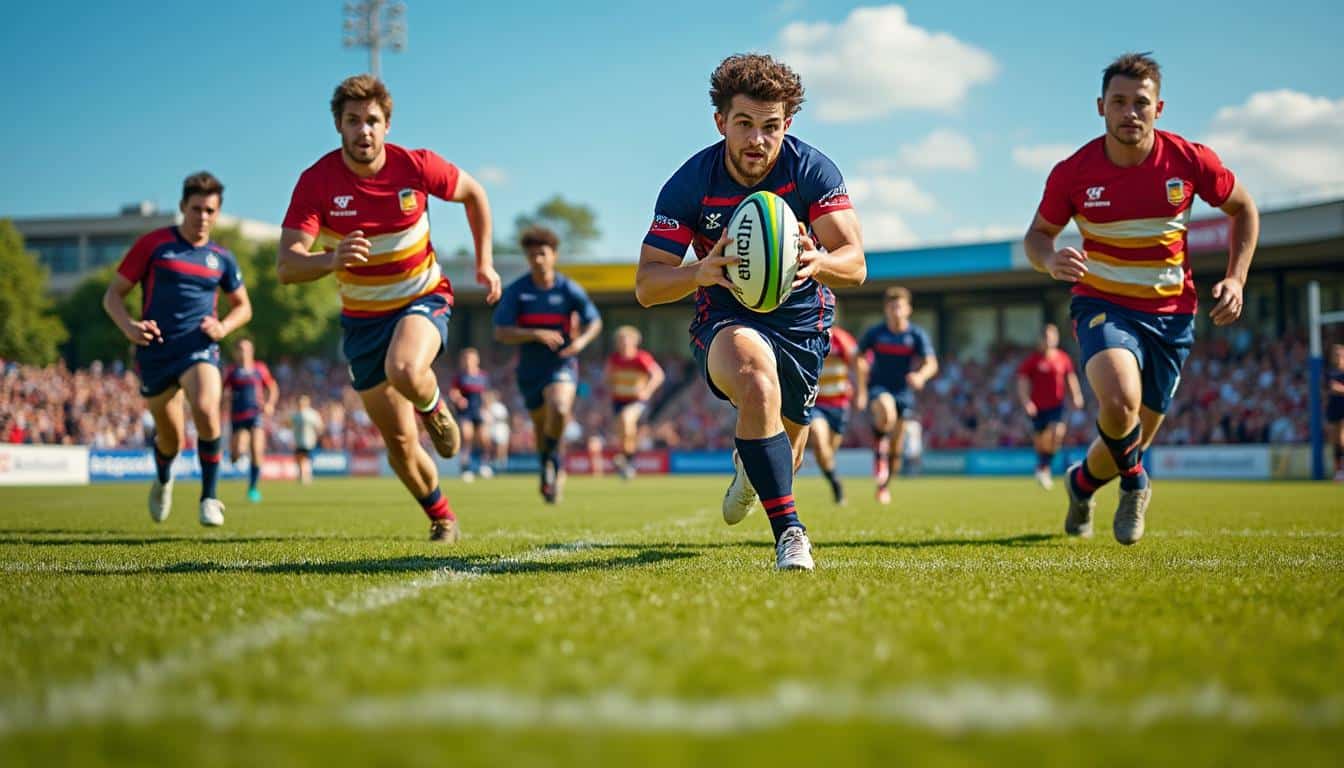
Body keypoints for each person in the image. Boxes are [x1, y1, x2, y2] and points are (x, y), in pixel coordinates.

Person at [635, 54, 866, 571]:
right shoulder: (691, 183)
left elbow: (856, 266)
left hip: (803, 322)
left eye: (770, 126)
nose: (757, 140)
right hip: (725, 314)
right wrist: (698, 273)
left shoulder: (811, 169)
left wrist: (819, 260)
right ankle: (791, 534)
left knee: (789, 455)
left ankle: (749, 469)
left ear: (787, 125)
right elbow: (647, 285)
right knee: (755, 382)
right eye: (744, 124)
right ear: (721, 122)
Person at [1024, 52, 1258, 544]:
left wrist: (1236, 278)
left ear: (1159, 108)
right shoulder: (1072, 173)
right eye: (1119, 102)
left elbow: (1244, 209)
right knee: (1119, 401)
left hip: (1172, 315)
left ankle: (1081, 485)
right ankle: (1137, 484)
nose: (1130, 112)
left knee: (1123, 437)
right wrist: (1049, 260)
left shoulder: (1189, 159)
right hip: (1102, 303)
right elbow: (1039, 235)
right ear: (1101, 107)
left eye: (1141, 103)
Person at [277, 74, 501, 542]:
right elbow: (287, 266)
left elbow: (474, 194)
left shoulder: (416, 166)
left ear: (387, 124)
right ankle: (442, 516)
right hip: (362, 322)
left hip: (423, 296)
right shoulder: (316, 183)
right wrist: (329, 259)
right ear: (338, 126)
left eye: (372, 121)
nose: (364, 131)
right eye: (353, 121)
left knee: (405, 368)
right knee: (398, 442)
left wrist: (484, 263)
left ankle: (435, 407)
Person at [103, 171, 253, 527]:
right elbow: (112, 296)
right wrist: (130, 328)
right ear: (183, 207)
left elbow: (243, 306)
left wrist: (223, 327)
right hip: (155, 351)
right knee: (170, 437)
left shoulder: (222, 258)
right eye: (197, 208)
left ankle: (210, 498)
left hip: (199, 348)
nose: (203, 217)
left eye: (210, 210)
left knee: (205, 408)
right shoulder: (154, 245)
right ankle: (163, 478)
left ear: (218, 213)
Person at [493, 226, 603, 503]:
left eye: (542, 253)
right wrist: (535, 334)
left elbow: (595, 321)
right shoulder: (518, 291)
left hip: (561, 363)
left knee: (561, 408)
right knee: (542, 428)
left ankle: (552, 463)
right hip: (529, 369)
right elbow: (501, 331)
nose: (538, 260)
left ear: (554, 255)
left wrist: (580, 343)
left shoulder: (568, 289)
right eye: (532, 255)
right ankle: (549, 463)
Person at [857, 287, 937, 505]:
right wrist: (862, 386)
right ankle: (878, 449)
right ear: (886, 309)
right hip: (879, 388)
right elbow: (859, 356)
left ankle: (884, 486)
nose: (895, 311)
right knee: (886, 410)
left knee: (896, 451)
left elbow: (931, 363)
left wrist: (921, 375)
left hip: (904, 393)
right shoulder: (876, 333)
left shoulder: (915, 335)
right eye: (891, 307)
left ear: (908, 309)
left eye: (899, 306)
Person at [1016, 324, 1085, 489]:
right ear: (1041, 339)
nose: (1049, 340)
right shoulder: (1033, 360)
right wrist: (1026, 401)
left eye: (1052, 336)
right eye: (1046, 337)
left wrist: (1076, 395)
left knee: (1056, 433)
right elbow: (1023, 382)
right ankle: (1042, 466)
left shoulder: (1063, 358)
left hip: (1057, 405)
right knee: (1041, 441)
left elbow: (1070, 378)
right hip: (1038, 408)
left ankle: (1044, 468)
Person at [809, 322, 862, 504]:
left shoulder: (840, 337)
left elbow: (858, 363)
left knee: (827, 454)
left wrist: (861, 392)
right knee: (817, 437)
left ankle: (834, 481)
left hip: (839, 405)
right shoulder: (806, 334)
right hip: (816, 403)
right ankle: (836, 485)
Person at [603, 325, 665, 480]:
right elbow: (606, 379)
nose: (623, 343)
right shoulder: (614, 359)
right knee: (625, 434)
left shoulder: (641, 358)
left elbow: (658, 375)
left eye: (626, 340)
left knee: (626, 420)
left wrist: (647, 390)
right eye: (620, 340)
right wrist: (611, 386)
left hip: (637, 401)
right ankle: (628, 462)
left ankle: (627, 461)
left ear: (635, 342)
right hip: (618, 401)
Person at [223, 339, 278, 502]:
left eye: (247, 349)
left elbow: (272, 387)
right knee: (237, 452)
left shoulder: (259, 369)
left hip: (255, 415)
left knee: (256, 449)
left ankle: (253, 488)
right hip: (237, 417)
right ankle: (234, 455)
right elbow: (221, 390)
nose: (243, 353)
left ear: (252, 351)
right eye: (240, 349)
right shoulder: (231, 371)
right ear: (235, 352)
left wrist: (269, 404)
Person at [448, 347, 491, 482]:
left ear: (476, 360)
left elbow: (486, 395)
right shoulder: (459, 377)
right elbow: (453, 392)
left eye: (471, 359)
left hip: (478, 411)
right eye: (466, 359)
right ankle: (465, 467)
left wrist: (487, 409)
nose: (468, 362)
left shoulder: (483, 376)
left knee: (484, 439)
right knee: (467, 436)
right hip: (465, 412)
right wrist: (459, 399)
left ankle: (484, 465)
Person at [291, 394, 324, 485]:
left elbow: (319, 426)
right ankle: (305, 476)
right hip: (299, 441)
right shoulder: (296, 415)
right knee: (301, 460)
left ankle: (305, 477)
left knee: (304, 459)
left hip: (308, 441)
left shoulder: (310, 414)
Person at [1328, 343, 1344, 481]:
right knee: (1335, 441)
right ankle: (1337, 471)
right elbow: (1332, 387)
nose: (1337, 356)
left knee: (1342, 438)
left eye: (1339, 354)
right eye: (1335, 354)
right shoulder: (1331, 372)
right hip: (1334, 408)